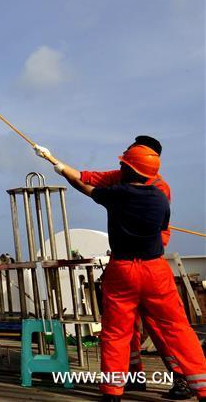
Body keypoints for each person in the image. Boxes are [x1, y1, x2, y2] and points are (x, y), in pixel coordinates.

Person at [37, 142, 206, 401]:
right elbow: (161, 228)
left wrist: (57, 166)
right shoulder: (161, 195)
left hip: (123, 270)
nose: (118, 166)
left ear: (129, 168)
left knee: (117, 333)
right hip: (155, 270)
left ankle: (112, 391)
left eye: (123, 163)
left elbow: (85, 186)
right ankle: (201, 386)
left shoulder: (118, 193)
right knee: (177, 329)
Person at [75, 136, 191, 398]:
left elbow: (158, 231)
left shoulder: (159, 188)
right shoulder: (124, 176)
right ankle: (133, 376)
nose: (126, 153)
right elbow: (92, 177)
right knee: (128, 329)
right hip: (132, 264)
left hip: (145, 263)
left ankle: (182, 378)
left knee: (158, 328)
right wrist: (60, 165)